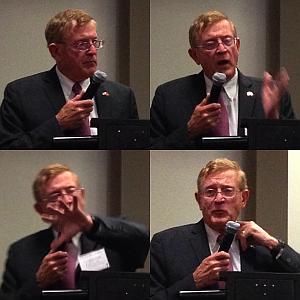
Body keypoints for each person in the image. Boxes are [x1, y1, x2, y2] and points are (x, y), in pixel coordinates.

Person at [150, 158, 300, 300]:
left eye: (228, 191)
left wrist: (273, 243)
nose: (219, 199)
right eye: (210, 192)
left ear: (244, 198)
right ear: (199, 200)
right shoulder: (166, 244)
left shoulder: (264, 248)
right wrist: (194, 281)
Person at [0, 163, 149, 300]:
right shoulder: (20, 252)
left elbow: (143, 237)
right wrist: (38, 283)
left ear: (82, 196)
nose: (66, 200)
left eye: (71, 191)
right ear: (40, 209)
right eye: (55, 195)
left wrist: (88, 224)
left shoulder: (111, 238)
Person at [150, 10, 295, 149]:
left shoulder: (272, 95)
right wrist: (189, 130)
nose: (222, 49)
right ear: (195, 55)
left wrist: (272, 120)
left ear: (237, 46)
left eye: (227, 41)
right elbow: (153, 147)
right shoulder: (168, 97)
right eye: (210, 44)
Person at [0, 9, 138, 149]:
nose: (92, 51)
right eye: (82, 44)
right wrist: (58, 123)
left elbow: (135, 146)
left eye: (94, 42)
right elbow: (8, 147)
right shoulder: (21, 94)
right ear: (56, 51)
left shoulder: (122, 96)